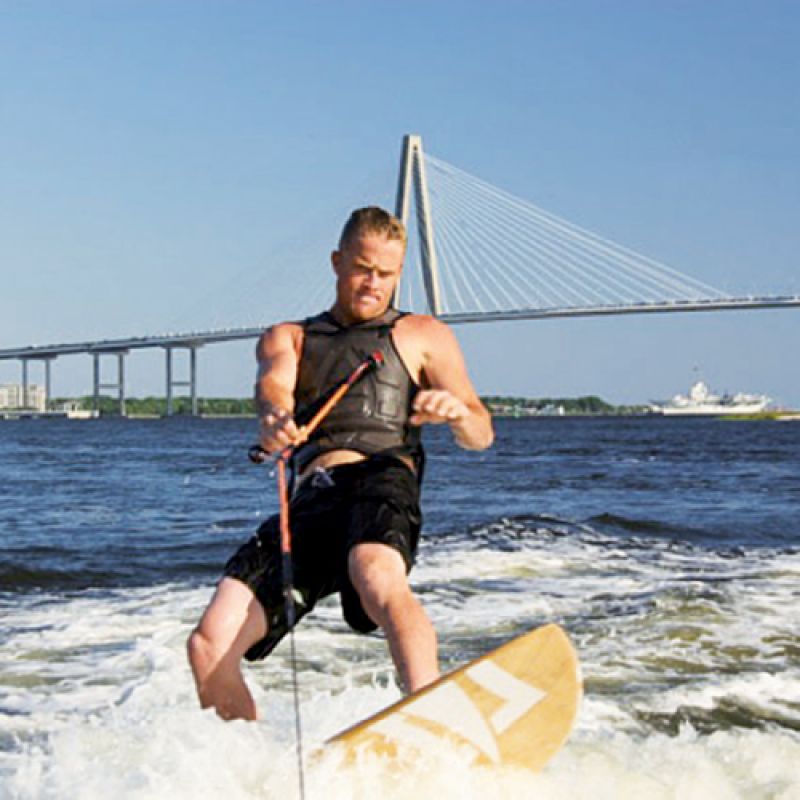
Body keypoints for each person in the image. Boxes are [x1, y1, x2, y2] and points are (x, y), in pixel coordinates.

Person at [188, 206, 493, 721]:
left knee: (374, 572)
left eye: (387, 274)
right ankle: (246, 768)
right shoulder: (289, 337)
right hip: (312, 498)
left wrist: (457, 413)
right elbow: (272, 388)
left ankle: (428, 715)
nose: (374, 284)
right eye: (362, 268)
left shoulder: (423, 335)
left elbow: (481, 433)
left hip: (380, 479)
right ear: (336, 262)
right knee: (208, 644)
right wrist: (274, 418)